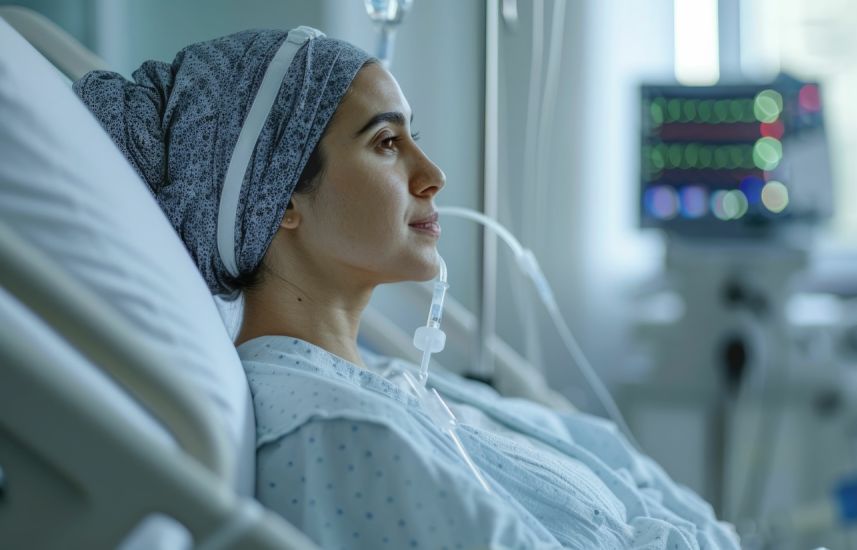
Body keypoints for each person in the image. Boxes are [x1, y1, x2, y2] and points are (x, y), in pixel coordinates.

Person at [75, 27, 739, 549]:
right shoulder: (337, 434)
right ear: (278, 200)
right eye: (387, 144)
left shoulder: (389, 382)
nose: (434, 175)